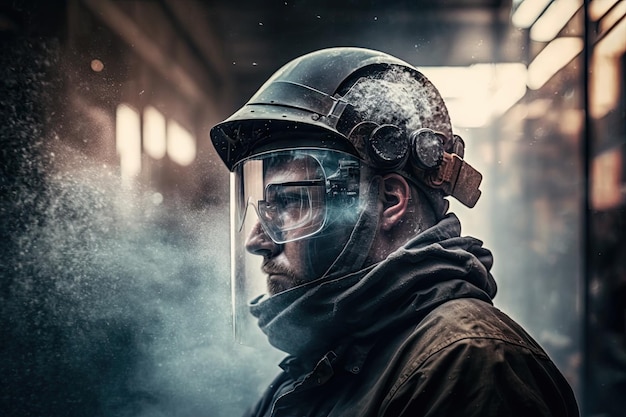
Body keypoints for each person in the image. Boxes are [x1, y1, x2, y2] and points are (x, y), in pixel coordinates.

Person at [209, 47, 579, 416]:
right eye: (260, 208)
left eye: (290, 202)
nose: (256, 241)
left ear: (389, 201)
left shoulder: (469, 362)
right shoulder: (325, 359)